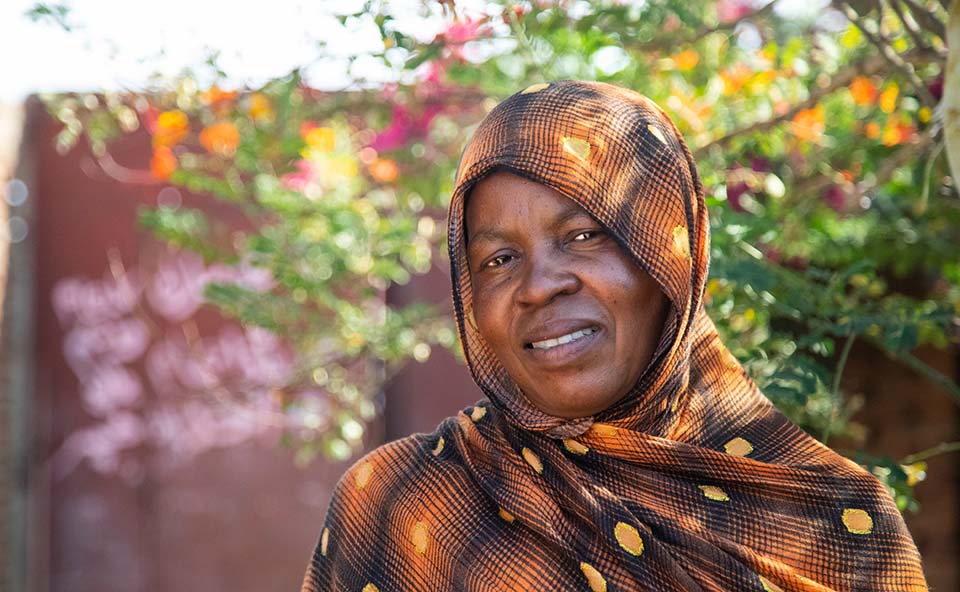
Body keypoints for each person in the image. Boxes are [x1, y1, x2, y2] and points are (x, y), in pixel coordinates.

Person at [300, 80, 928, 591]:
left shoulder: (834, 522)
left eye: (583, 235)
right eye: (498, 259)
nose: (538, 286)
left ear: (668, 258)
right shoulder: (399, 506)